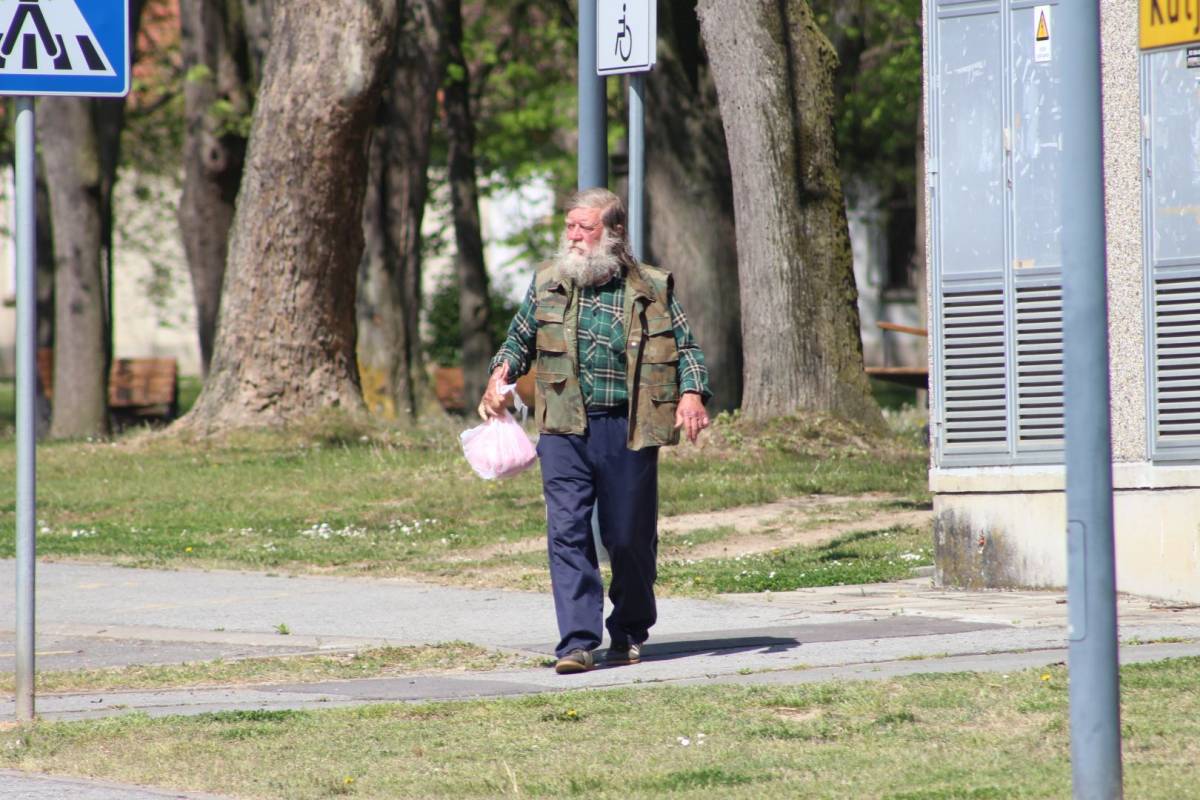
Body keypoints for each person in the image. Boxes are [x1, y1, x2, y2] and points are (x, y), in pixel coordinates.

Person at [479, 187, 711, 674]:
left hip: (627, 427)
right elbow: (518, 338)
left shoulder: (650, 286)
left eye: (585, 227)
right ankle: (577, 642)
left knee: (627, 538)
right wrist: (499, 376)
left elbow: (687, 349)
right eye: (570, 226)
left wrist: (692, 394)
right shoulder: (548, 281)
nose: (574, 236)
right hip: (563, 426)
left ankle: (628, 630)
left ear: (614, 232)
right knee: (566, 532)